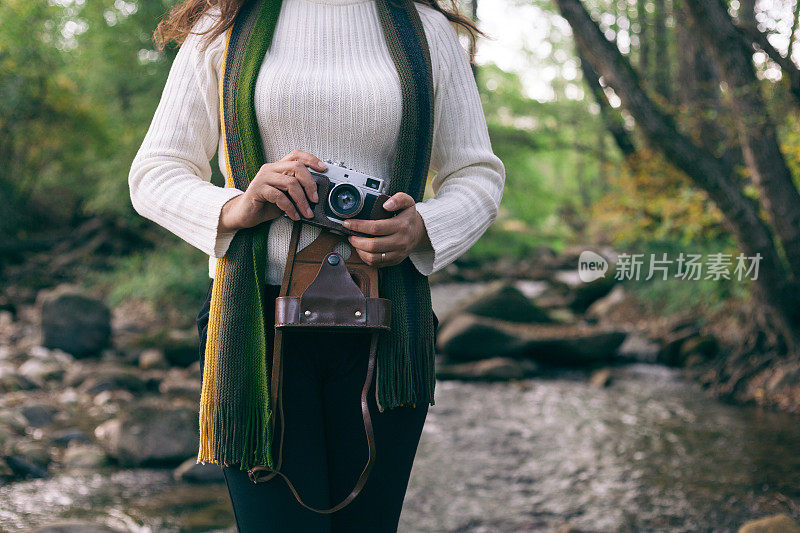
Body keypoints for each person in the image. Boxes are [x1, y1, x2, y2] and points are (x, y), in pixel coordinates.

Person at [128, 0, 505, 530]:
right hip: (254, 328)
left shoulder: (427, 30)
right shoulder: (225, 24)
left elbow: (477, 173)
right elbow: (154, 172)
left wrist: (423, 227)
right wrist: (235, 205)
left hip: (387, 329)